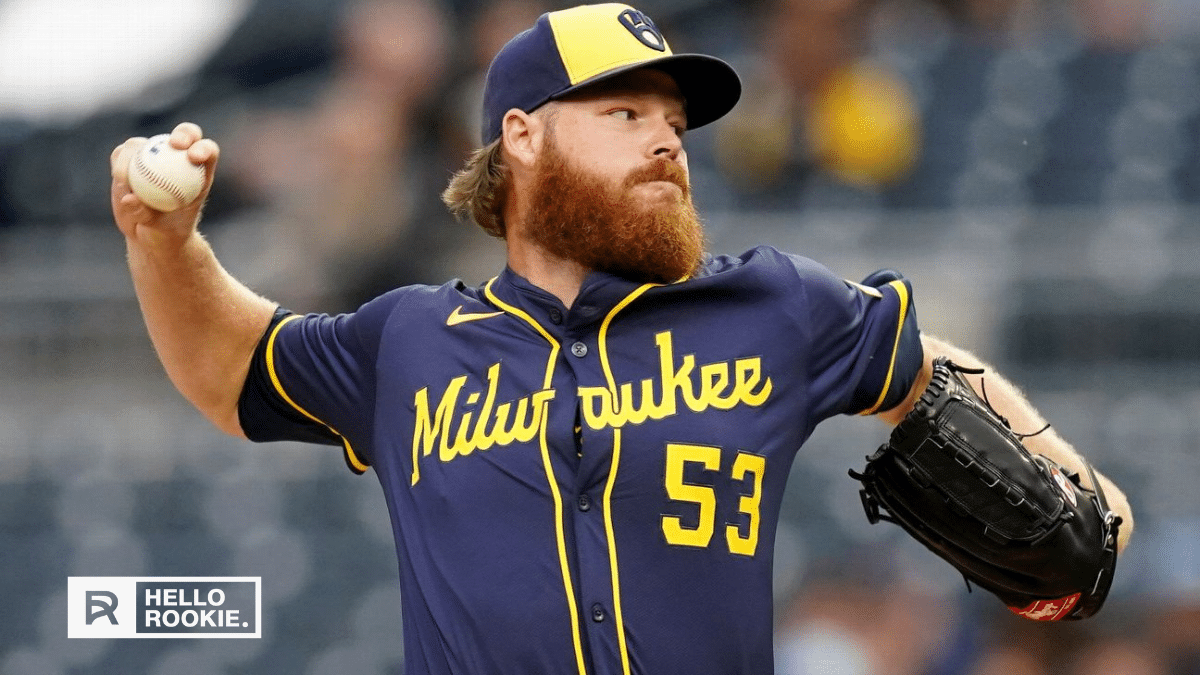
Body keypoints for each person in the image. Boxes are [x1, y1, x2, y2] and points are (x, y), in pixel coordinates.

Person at [109, 4, 1133, 674]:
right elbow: (228, 367)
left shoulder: (774, 306)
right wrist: (165, 242)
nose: (666, 142)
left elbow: (928, 366)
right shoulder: (408, 340)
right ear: (522, 135)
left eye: (675, 124)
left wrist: (1077, 481)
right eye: (626, 113)